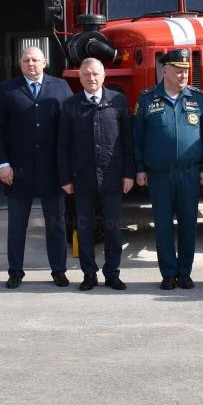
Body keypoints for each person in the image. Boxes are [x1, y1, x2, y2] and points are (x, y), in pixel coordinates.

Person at [0, 46, 73, 289]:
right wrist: (2, 164)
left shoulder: (60, 87)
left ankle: (59, 270)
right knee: (17, 225)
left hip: (52, 170)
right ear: (19, 63)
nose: (31, 64)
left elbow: (68, 129)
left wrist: (67, 168)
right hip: (17, 171)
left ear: (44, 62)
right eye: (26, 60)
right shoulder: (8, 89)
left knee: (55, 223)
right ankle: (15, 271)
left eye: (35, 59)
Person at [133, 48, 203, 290]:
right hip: (159, 174)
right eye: (178, 71)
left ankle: (185, 272)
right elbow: (137, 139)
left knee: (189, 224)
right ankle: (168, 273)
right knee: (163, 225)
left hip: (189, 172)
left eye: (186, 71)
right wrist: (140, 169)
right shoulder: (147, 99)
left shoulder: (197, 98)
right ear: (165, 70)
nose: (183, 75)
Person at [57, 58, 134, 291]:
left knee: (113, 228)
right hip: (82, 178)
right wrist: (65, 178)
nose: (91, 78)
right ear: (79, 78)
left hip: (112, 177)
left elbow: (128, 142)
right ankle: (89, 274)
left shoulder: (118, 102)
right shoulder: (70, 105)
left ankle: (112, 273)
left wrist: (129, 174)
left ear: (104, 76)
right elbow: (62, 146)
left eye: (96, 74)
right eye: (87, 74)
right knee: (85, 228)